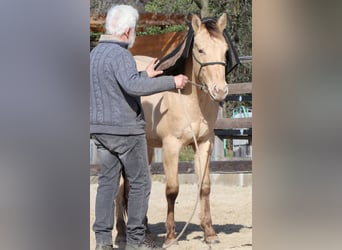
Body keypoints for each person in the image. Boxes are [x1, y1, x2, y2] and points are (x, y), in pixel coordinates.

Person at [90, 4, 188, 250]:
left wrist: (146, 75)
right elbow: (132, 88)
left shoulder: (94, 54)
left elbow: (122, 84)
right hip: (126, 130)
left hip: (101, 130)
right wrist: (171, 81)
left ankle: (102, 240)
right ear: (126, 31)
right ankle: (135, 240)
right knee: (141, 183)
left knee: (107, 183)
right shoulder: (121, 54)